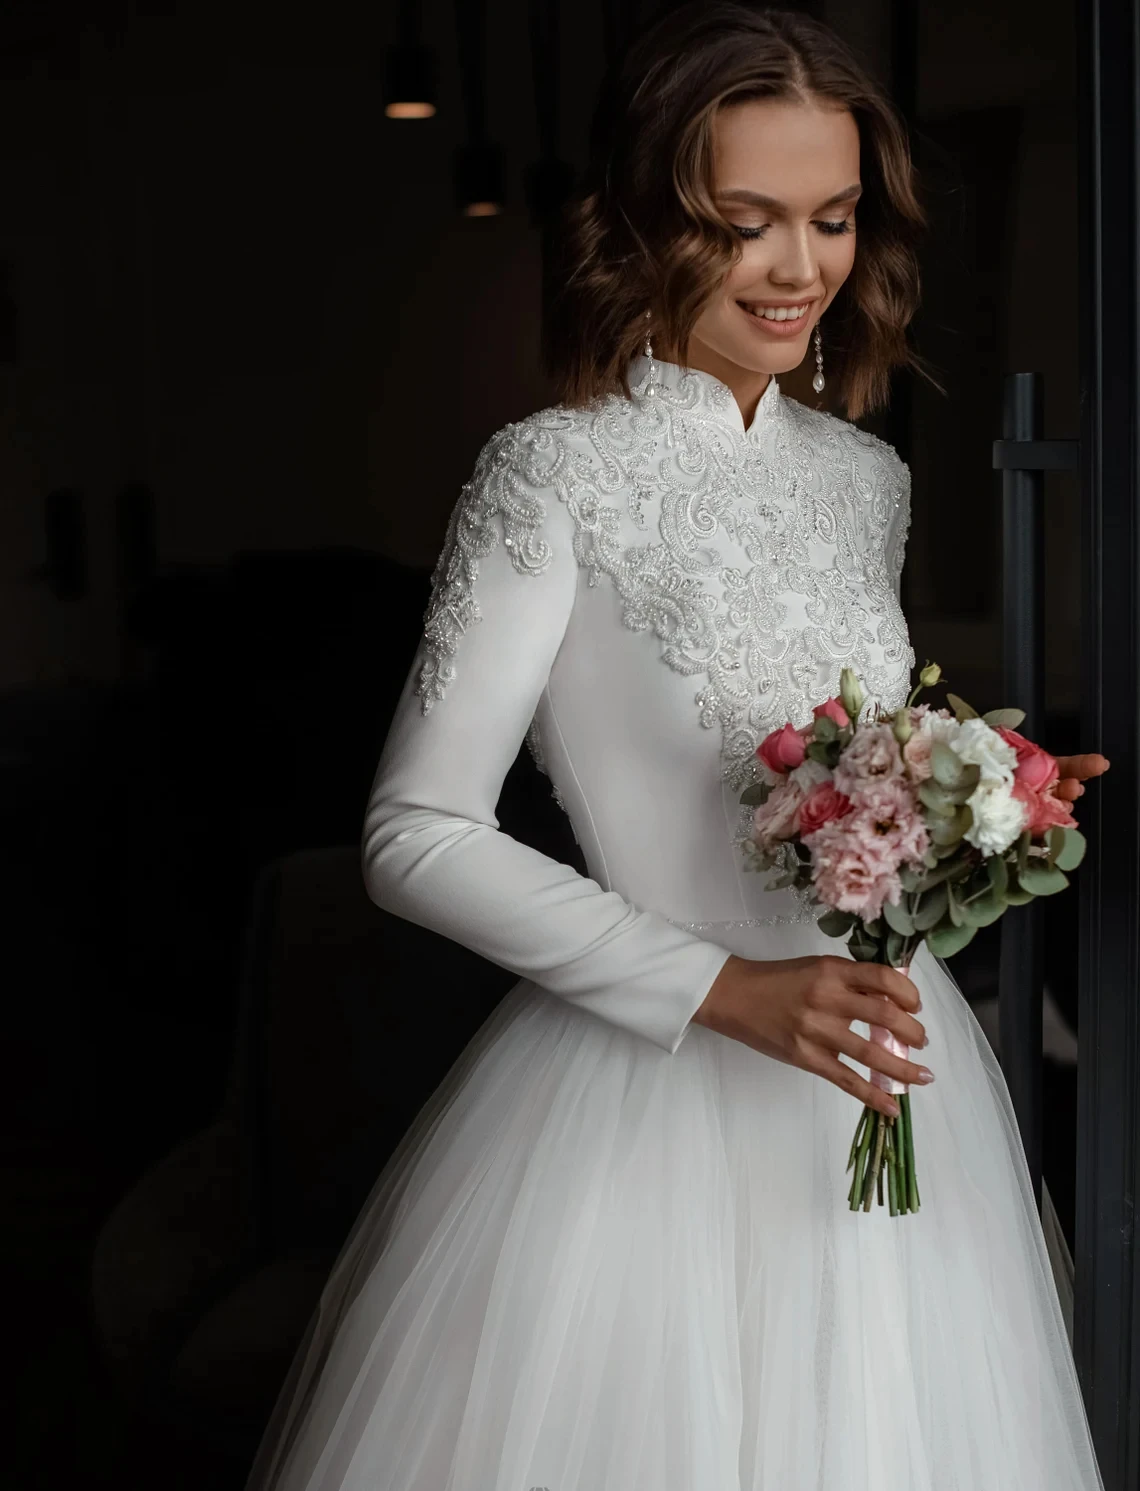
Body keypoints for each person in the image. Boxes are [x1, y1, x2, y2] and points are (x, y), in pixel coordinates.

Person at [243, 5, 1109, 1487]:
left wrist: (984, 810)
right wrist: (719, 985)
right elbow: (415, 832)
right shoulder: (551, 475)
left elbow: (843, 766)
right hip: (642, 1102)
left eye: (832, 219)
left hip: (889, 1095)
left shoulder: (866, 481)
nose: (799, 269)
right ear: (650, 217)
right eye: (746, 221)